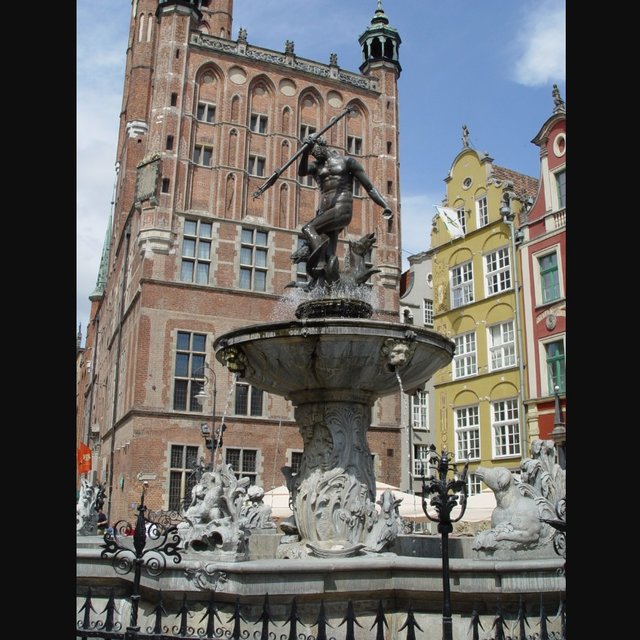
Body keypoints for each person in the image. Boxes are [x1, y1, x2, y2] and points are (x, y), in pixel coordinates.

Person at [297, 136, 392, 282]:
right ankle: (331, 280)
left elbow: (369, 187)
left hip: (342, 208)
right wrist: (305, 152)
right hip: (324, 212)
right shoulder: (316, 167)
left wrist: (385, 205)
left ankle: (321, 261)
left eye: (314, 149)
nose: (313, 154)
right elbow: (302, 172)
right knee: (330, 253)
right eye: (311, 152)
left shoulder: (347, 162)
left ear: (322, 144)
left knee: (308, 228)